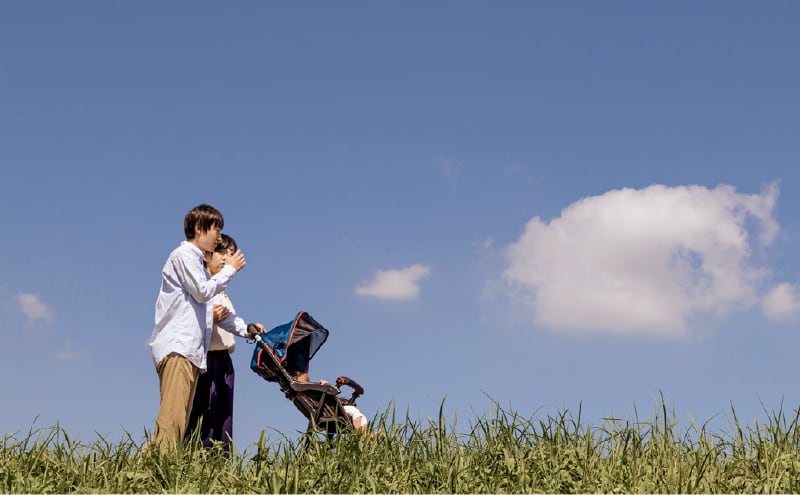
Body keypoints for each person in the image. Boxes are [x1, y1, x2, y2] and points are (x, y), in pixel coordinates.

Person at [148, 204, 259, 450]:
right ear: (199, 228)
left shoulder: (196, 264)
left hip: (190, 352)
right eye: (215, 230)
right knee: (172, 423)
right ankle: (149, 477)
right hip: (179, 348)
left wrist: (248, 330)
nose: (219, 238)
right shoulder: (183, 256)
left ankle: (145, 474)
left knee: (178, 422)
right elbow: (203, 292)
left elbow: (216, 309)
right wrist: (231, 269)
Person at [186, 234, 261, 452]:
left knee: (221, 412)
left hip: (223, 358)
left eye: (230, 255)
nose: (226, 260)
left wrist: (249, 330)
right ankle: (199, 455)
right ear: (207, 256)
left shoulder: (221, 293)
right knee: (204, 410)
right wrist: (211, 317)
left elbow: (231, 322)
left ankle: (217, 460)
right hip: (207, 358)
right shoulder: (204, 287)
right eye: (223, 254)